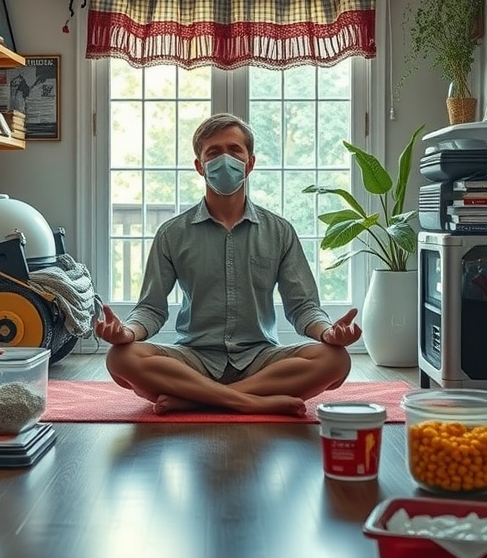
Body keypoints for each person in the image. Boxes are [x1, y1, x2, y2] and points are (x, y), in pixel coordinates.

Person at [95, 113, 362, 416]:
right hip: (192, 359)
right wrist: (127, 332)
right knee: (120, 359)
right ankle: (250, 402)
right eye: (214, 152)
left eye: (235, 150)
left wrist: (328, 333)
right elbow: (152, 309)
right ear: (200, 166)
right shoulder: (172, 233)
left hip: (261, 360)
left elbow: (302, 307)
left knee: (336, 361)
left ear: (250, 163)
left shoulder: (280, 231)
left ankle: (198, 401)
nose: (225, 159)